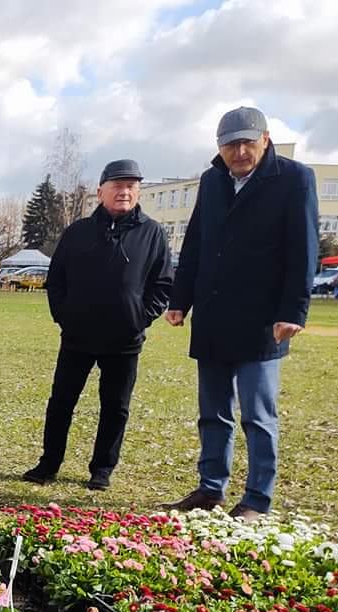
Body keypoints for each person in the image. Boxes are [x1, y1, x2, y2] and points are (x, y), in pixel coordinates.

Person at [165, 106, 319, 521]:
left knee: (257, 415)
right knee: (212, 412)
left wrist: (293, 312)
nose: (239, 152)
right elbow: (195, 242)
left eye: (247, 143)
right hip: (214, 317)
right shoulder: (212, 180)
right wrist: (180, 300)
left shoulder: (294, 179)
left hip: (262, 322)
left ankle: (256, 500)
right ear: (219, 147)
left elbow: (303, 251)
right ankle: (210, 489)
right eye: (230, 145)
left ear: (265, 140)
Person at [22, 159, 172, 490]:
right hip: (78, 335)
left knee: (115, 408)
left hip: (125, 339)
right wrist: (64, 314)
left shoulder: (152, 233)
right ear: (101, 191)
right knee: (61, 402)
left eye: (132, 185)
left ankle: (102, 469)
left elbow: (162, 284)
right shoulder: (78, 232)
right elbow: (57, 278)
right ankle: (48, 464)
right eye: (118, 185)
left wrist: (140, 316)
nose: (125, 191)